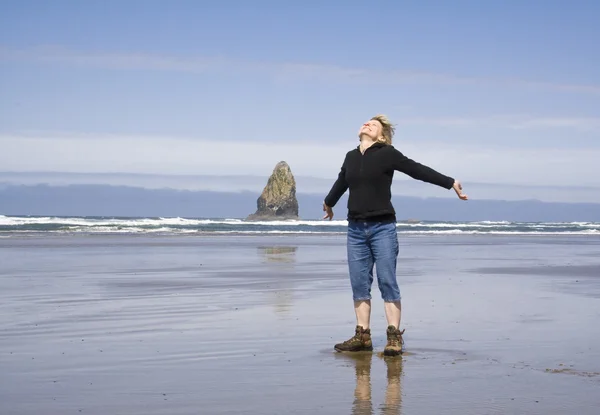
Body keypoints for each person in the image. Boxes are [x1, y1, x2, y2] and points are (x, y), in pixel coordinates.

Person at [323, 114, 468, 356]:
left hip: (383, 228)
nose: (367, 124)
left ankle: (393, 337)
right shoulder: (350, 156)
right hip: (356, 229)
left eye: (374, 124)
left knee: (387, 280)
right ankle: (363, 336)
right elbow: (341, 182)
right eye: (366, 122)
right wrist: (329, 203)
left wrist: (450, 182)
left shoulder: (388, 154)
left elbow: (416, 170)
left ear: (381, 136)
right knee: (359, 283)